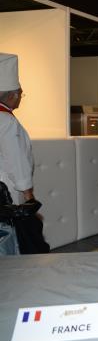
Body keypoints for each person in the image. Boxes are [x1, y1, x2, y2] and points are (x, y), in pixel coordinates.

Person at [0, 53, 50, 255]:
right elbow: (17, 164)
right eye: (21, 93)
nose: (21, 96)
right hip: (7, 196)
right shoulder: (8, 122)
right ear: (12, 95)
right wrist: (30, 202)